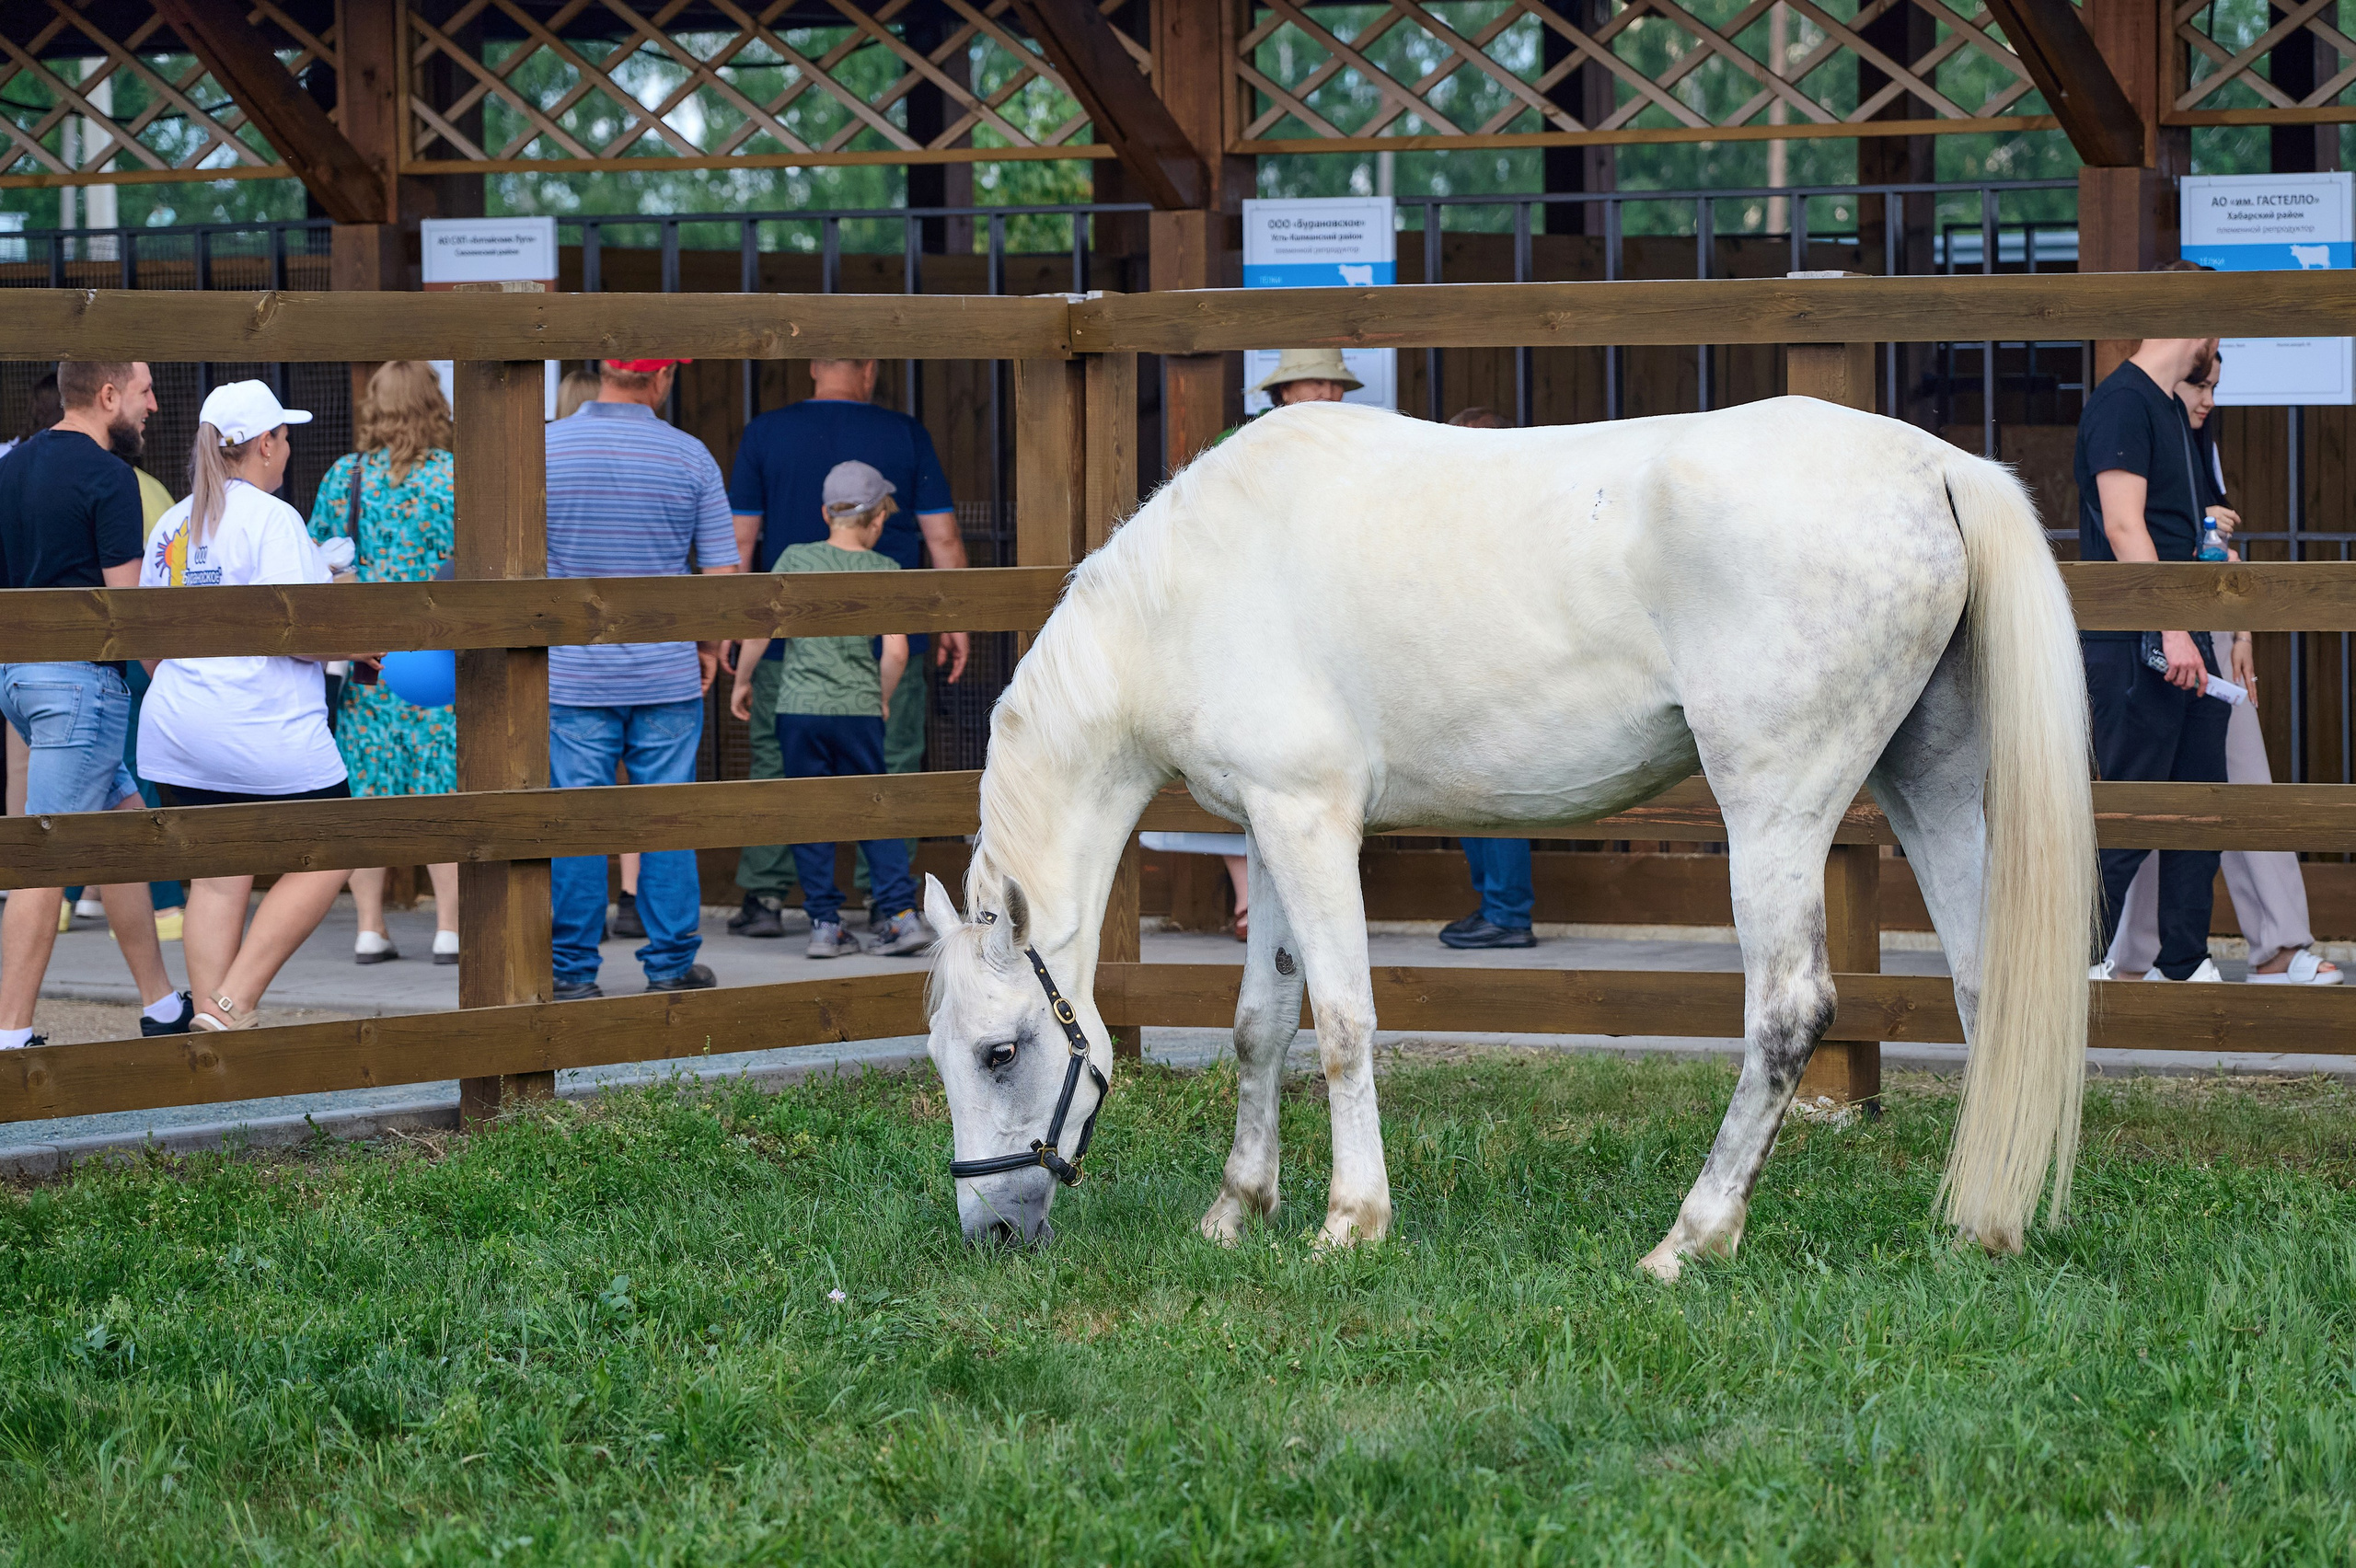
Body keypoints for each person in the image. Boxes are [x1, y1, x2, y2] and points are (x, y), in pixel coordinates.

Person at [2107, 349, 2339, 985]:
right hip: (2153, 627)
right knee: (2152, 792)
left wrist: (2239, 628)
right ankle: (2136, 956)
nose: (2207, 398)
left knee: (2235, 781)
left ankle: (2276, 945)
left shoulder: (2193, 440)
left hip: (2200, 624)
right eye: (2197, 383)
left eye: (2214, 386)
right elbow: (2134, 531)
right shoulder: (2137, 416)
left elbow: (2216, 551)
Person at [137, 380, 355, 1032]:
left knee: (217, 877)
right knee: (340, 843)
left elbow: (149, 643)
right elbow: (303, 636)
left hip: (177, 727)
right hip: (262, 725)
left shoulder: (173, 522)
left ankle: (211, 1032)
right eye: (284, 437)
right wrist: (357, 641)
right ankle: (233, 1002)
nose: (287, 449)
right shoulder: (273, 518)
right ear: (264, 444)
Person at [724, 358, 966, 938]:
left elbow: (740, 538)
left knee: (779, 767)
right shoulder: (905, 433)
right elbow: (942, 536)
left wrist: (733, 624)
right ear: (870, 367)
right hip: (882, 639)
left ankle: (769, 895)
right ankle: (887, 902)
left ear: (813, 366)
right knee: (889, 765)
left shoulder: (765, 433)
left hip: (789, 645)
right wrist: (956, 619)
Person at [0, 360, 191, 1045]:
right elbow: (127, 611)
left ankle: (161, 1004)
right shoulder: (112, 477)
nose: (154, 406)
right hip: (82, 688)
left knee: (121, 835)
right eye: (145, 391)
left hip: (21, 680)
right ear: (108, 395)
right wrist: (174, 682)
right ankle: (10, 1032)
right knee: (44, 859)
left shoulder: (10, 468)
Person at [545, 357, 740, 999]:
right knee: (666, 819)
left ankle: (572, 970)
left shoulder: (544, 450)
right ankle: (671, 966)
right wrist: (707, 646)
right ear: (661, 378)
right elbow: (721, 575)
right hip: (665, 669)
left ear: (603, 368)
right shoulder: (689, 456)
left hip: (572, 672)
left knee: (578, 823)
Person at [729, 461, 933, 957]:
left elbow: (761, 630)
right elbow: (897, 652)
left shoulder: (795, 558)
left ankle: (824, 924)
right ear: (878, 519)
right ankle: (900, 917)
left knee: (810, 812)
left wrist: (742, 680)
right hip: (858, 711)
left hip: (798, 709)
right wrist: (881, 698)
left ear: (826, 514)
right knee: (873, 808)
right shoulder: (885, 569)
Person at [2080, 330, 2231, 985]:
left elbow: (2174, 526)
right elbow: (2123, 525)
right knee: (2130, 814)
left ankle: (2185, 963)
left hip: (2180, 633)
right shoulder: (2123, 402)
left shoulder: (2169, 407)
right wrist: (2170, 626)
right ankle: (2077, 966)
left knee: (2200, 809)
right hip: (2137, 640)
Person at [307, 361, 461, 968]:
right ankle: (449, 929)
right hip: (440, 658)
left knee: (367, 794)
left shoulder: (346, 476)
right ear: (433, 402)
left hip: (370, 663)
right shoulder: (456, 476)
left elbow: (318, 560)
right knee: (444, 790)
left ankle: (370, 928)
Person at [1437, 407, 1536, 951]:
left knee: (1491, 787)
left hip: (1495, 671)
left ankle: (1506, 913)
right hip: (1470, 668)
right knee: (1472, 788)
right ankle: (1496, 907)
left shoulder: (1502, 516)